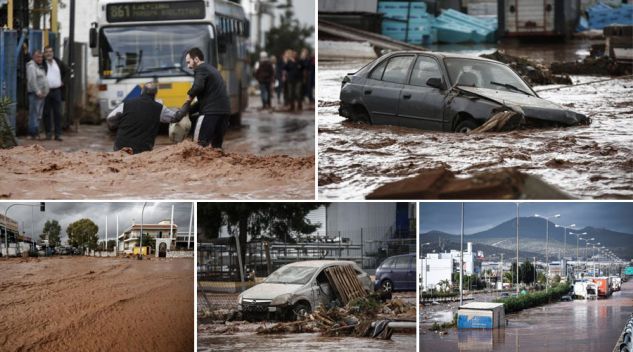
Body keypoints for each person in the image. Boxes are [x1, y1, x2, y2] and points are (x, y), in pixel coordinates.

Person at [106, 82, 186, 154]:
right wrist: (188, 102)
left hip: (120, 147)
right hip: (143, 150)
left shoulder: (126, 104)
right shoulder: (160, 109)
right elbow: (177, 117)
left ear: (142, 92)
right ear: (155, 94)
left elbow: (110, 120)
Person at [180, 47, 231, 149]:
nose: (188, 66)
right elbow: (206, 99)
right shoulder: (211, 69)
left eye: (188, 62)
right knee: (216, 147)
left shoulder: (201, 69)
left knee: (197, 146)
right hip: (224, 113)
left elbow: (198, 87)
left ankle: (195, 165)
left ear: (196, 60)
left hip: (210, 114)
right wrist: (188, 110)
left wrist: (189, 97)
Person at [42, 46, 68, 141]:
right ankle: (48, 133)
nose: (49, 53)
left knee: (58, 113)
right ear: (44, 54)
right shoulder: (42, 63)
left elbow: (67, 71)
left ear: (53, 53)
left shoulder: (58, 62)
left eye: (50, 51)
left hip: (57, 90)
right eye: (47, 52)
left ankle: (58, 134)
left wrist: (63, 81)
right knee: (46, 113)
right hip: (46, 91)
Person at [26, 50, 49, 140]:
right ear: (33, 57)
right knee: (34, 114)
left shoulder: (40, 67)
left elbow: (43, 80)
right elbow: (32, 80)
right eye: (38, 57)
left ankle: (36, 132)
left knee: (38, 115)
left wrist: (45, 92)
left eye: (41, 57)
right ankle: (32, 133)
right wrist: (38, 91)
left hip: (41, 95)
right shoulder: (31, 66)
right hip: (35, 94)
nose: (40, 58)